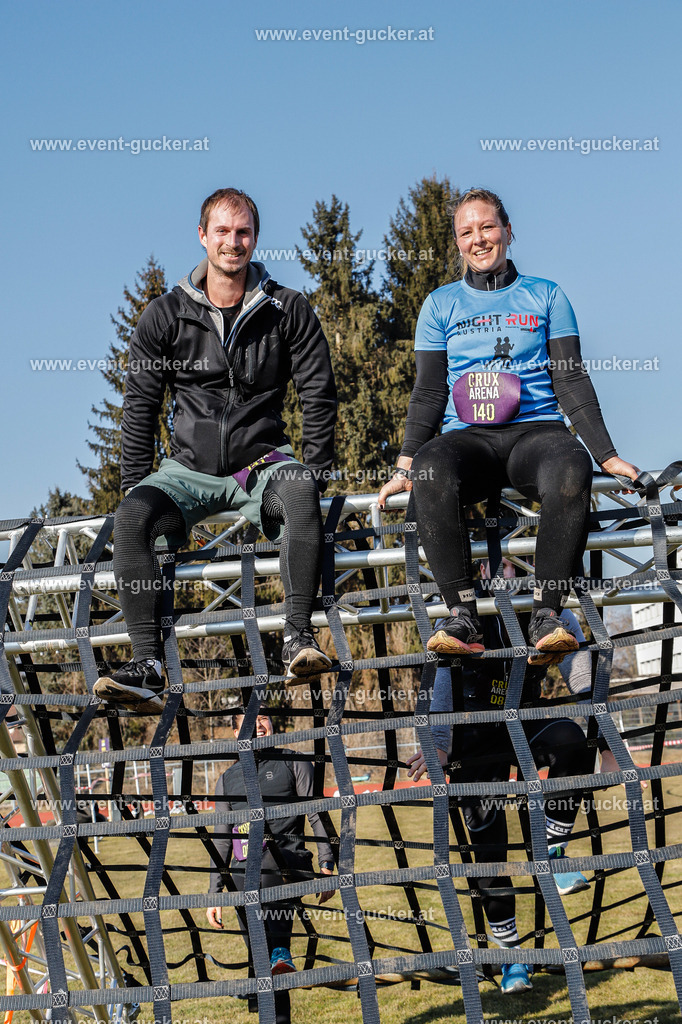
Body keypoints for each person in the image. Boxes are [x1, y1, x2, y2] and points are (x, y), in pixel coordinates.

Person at [94, 188, 337, 713]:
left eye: (243, 231)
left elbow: (318, 393)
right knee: (133, 514)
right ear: (202, 236)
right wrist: (136, 482)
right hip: (187, 468)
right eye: (222, 231)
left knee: (299, 491)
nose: (233, 242)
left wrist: (315, 471)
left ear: (256, 238)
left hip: (261, 463)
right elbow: (141, 403)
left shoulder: (287, 309)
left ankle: (298, 638)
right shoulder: (164, 315)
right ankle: (148, 666)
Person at [378, 187, 639, 663]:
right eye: (466, 232)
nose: (478, 239)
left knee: (569, 467)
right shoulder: (439, 305)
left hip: (535, 436)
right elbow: (430, 391)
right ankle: (460, 616)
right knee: (431, 468)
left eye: (487, 227)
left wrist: (606, 454)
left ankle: (546, 615)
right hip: (468, 441)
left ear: (508, 232)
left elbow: (570, 378)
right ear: (457, 243)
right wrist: (406, 461)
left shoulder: (547, 295)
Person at [406, 592, 594, 996]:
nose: (508, 571)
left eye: (516, 561)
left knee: (571, 740)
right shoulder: (466, 613)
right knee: (490, 853)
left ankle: (552, 852)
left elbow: (580, 663)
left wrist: (608, 738)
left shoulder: (545, 606)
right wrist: (439, 739)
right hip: (474, 734)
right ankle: (511, 959)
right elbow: (439, 671)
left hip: (521, 722)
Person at [206, 708, 335, 1023]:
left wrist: (328, 863)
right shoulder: (227, 779)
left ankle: (277, 951)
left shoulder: (293, 760)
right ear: (237, 734)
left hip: (289, 862)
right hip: (244, 874)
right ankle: (269, 982)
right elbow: (222, 839)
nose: (259, 724)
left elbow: (316, 813)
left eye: (264, 718)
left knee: (265, 861)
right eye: (250, 722)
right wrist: (214, 891)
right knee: (262, 955)